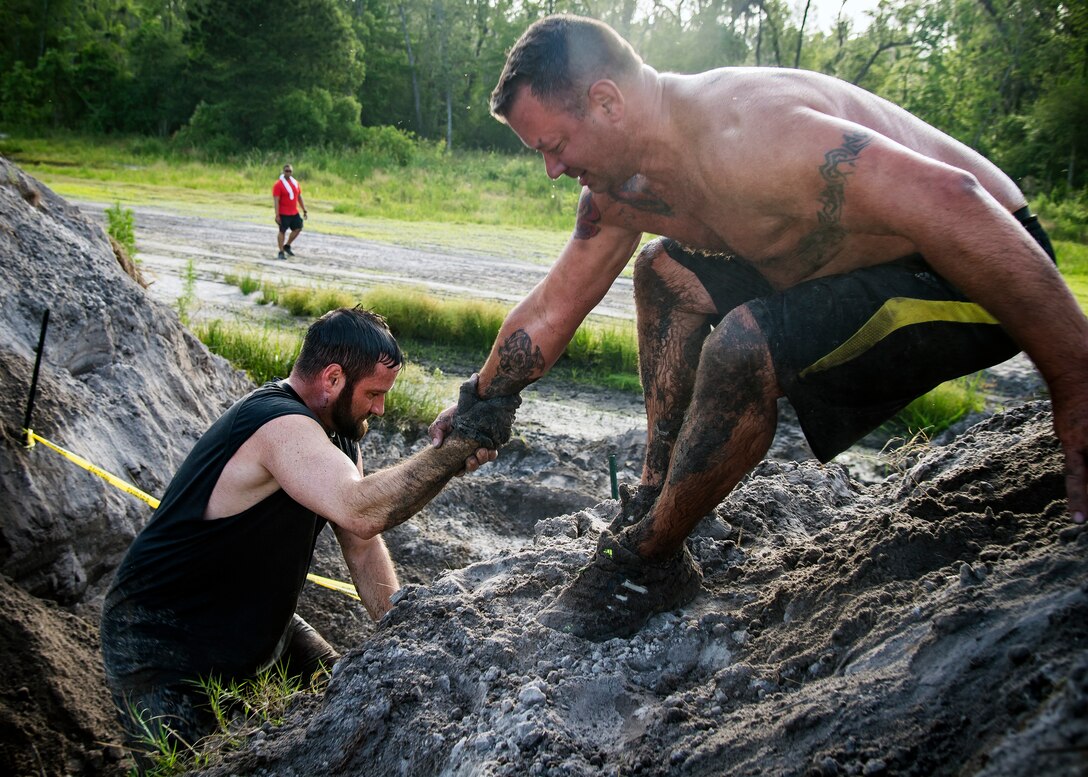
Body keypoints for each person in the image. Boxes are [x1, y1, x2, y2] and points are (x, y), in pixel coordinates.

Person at [430, 14, 1087, 642]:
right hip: (837, 269)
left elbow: (958, 202)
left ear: (606, 102)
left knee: (745, 341)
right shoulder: (622, 187)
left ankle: (649, 559)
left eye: (553, 145)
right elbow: (553, 306)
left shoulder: (751, 134)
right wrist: (482, 402)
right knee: (662, 272)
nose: (551, 168)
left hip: (977, 264)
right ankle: (656, 495)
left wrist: (1076, 386)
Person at [101, 307, 517, 759]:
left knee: (350, 701)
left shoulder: (339, 435)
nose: (379, 408)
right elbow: (360, 510)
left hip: (260, 626)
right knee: (188, 764)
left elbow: (360, 540)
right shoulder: (276, 423)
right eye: (374, 394)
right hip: (165, 640)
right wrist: (459, 445)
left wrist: (396, 629)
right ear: (333, 378)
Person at [273, 162, 308, 260]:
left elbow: (299, 196)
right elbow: (276, 200)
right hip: (284, 212)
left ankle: (287, 246)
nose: (288, 173)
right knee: (282, 231)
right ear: (283, 172)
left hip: (294, 212)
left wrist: (304, 209)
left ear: (292, 172)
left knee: (298, 227)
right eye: (286, 171)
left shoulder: (295, 183)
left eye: (290, 171)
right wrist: (277, 214)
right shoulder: (278, 185)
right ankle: (281, 251)